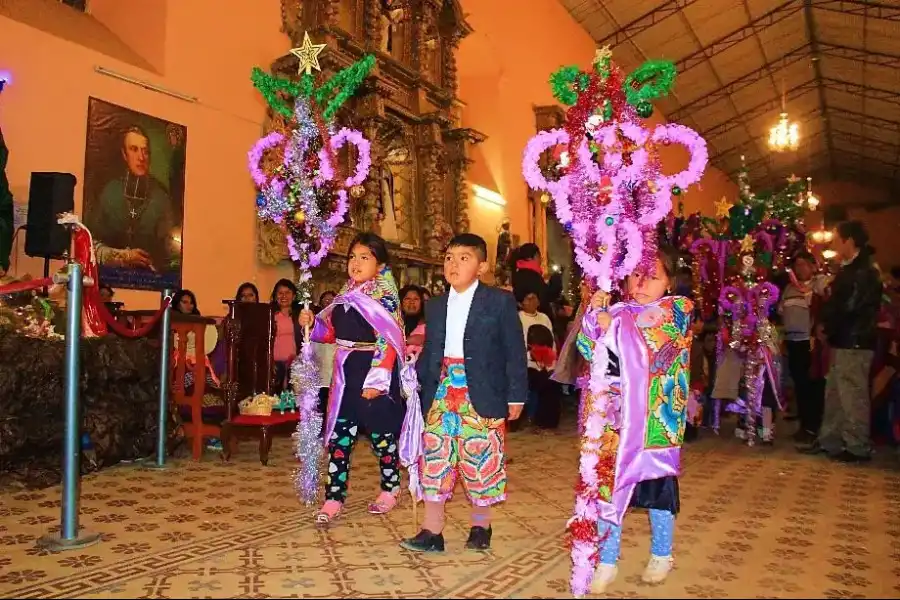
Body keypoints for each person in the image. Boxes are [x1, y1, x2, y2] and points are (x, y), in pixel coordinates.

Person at [570, 245, 693, 594]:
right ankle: (607, 560)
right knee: (608, 488)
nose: (641, 283)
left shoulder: (676, 310)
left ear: (669, 282)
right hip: (614, 419)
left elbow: (650, 343)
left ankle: (662, 553)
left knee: (657, 491)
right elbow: (586, 348)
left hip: (654, 421)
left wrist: (614, 326)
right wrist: (594, 316)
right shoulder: (619, 309)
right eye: (636, 274)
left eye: (652, 276)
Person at [401, 233, 527, 553]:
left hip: (481, 390)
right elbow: (432, 350)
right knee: (435, 457)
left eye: (464, 258)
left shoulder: (498, 301)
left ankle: (481, 526)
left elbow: (514, 350)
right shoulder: (436, 304)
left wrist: (516, 395)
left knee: (480, 456)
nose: (453, 264)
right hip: (443, 390)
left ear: (482, 266)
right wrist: (417, 383)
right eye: (449, 257)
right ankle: (432, 531)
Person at [299, 233, 406, 524]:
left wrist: (377, 382)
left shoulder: (384, 298)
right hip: (344, 376)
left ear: (380, 264)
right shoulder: (346, 294)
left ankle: (390, 488)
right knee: (339, 438)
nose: (355, 263)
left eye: (364, 257)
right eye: (352, 257)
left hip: (372, 373)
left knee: (382, 437)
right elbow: (331, 333)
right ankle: (334, 497)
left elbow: (388, 341)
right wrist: (312, 324)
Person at [804, 221, 882, 462]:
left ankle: (856, 445)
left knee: (852, 394)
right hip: (843, 339)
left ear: (849, 240)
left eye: (837, 238)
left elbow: (849, 307)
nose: (833, 243)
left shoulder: (864, 271)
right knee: (835, 392)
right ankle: (831, 441)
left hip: (855, 340)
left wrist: (828, 325)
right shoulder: (849, 269)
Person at [85, 125, 177, 271]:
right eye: (134, 149)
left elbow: (171, 254)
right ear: (124, 154)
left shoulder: (161, 197)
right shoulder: (110, 192)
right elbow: (89, 246)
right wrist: (123, 256)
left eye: (145, 152)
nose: (141, 157)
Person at [780, 251, 817, 443]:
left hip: (808, 342)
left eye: (804, 264)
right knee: (798, 385)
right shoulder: (789, 288)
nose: (800, 268)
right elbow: (782, 311)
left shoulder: (819, 286)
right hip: (792, 342)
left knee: (810, 386)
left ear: (812, 266)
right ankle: (804, 426)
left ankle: (812, 427)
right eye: (797, 265)